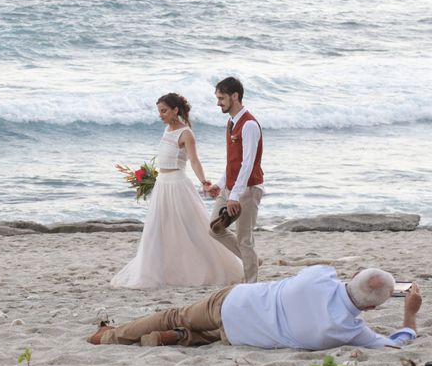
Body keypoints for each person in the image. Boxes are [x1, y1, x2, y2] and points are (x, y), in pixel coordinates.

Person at [91, 265, 422, 350]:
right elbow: (394, 345)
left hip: (234, 302)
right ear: (374, 311)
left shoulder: (320, 277)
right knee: (208, 338)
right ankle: (176, 338)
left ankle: (111, 337)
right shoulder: (349, 331)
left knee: (175, 313)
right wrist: (410, 316)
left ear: (351, 275)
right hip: (240, 336)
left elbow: (334, 281)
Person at [110, 93, 244, 288]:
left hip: (178, 186)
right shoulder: (167, 129)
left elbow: (194, 160)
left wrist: (204, 182)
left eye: (164, 111)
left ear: (175, 110)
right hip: (162, 185)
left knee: (192, 229)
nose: (161, 115)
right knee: (157, 229)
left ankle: (223, 264)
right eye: (159, 111)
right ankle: (160, 271)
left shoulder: (186, 133)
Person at [208, 77, 264, 283]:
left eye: (221, 98)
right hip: (231, 189)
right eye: (217, 98)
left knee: (244, 241)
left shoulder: (249, 124)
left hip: (248, 190)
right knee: (215, 229)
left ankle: (251, 286)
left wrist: (235, 195)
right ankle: (253, 260)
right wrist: (221, 184)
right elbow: (233, 161)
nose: (218, 103)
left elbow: (248, 164)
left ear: (235, 96)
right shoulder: (231, 122)